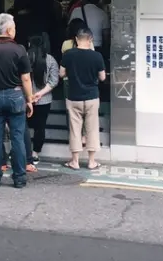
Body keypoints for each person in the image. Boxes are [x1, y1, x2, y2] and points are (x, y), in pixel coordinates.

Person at [0, 13, 34, 189]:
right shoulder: (19, 50)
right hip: (15, 96)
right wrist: (30, 99)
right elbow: (25, 78)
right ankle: (19, 178)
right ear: (9, 30)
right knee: (17, 137)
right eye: (14, 28)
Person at [60, 28, 105, 170]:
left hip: (74, 96)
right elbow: (102, 77)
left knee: (75, 129)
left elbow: (61, 74)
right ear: (90, 39)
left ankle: (75, 161)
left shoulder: (68, 54)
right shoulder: (97, 56)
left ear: (76, 39)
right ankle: (92, 162)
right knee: (92, 128)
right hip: (92, 96)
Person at [27, 35, 59, 165]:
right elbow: (54, 81)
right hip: (44, 100)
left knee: (21, 127)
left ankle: (21, 151)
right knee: (40, 127)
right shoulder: (51, 60)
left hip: (26, 99)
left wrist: (30, 94)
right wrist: (40, 94)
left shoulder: (25, 58)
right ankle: (35, 154)